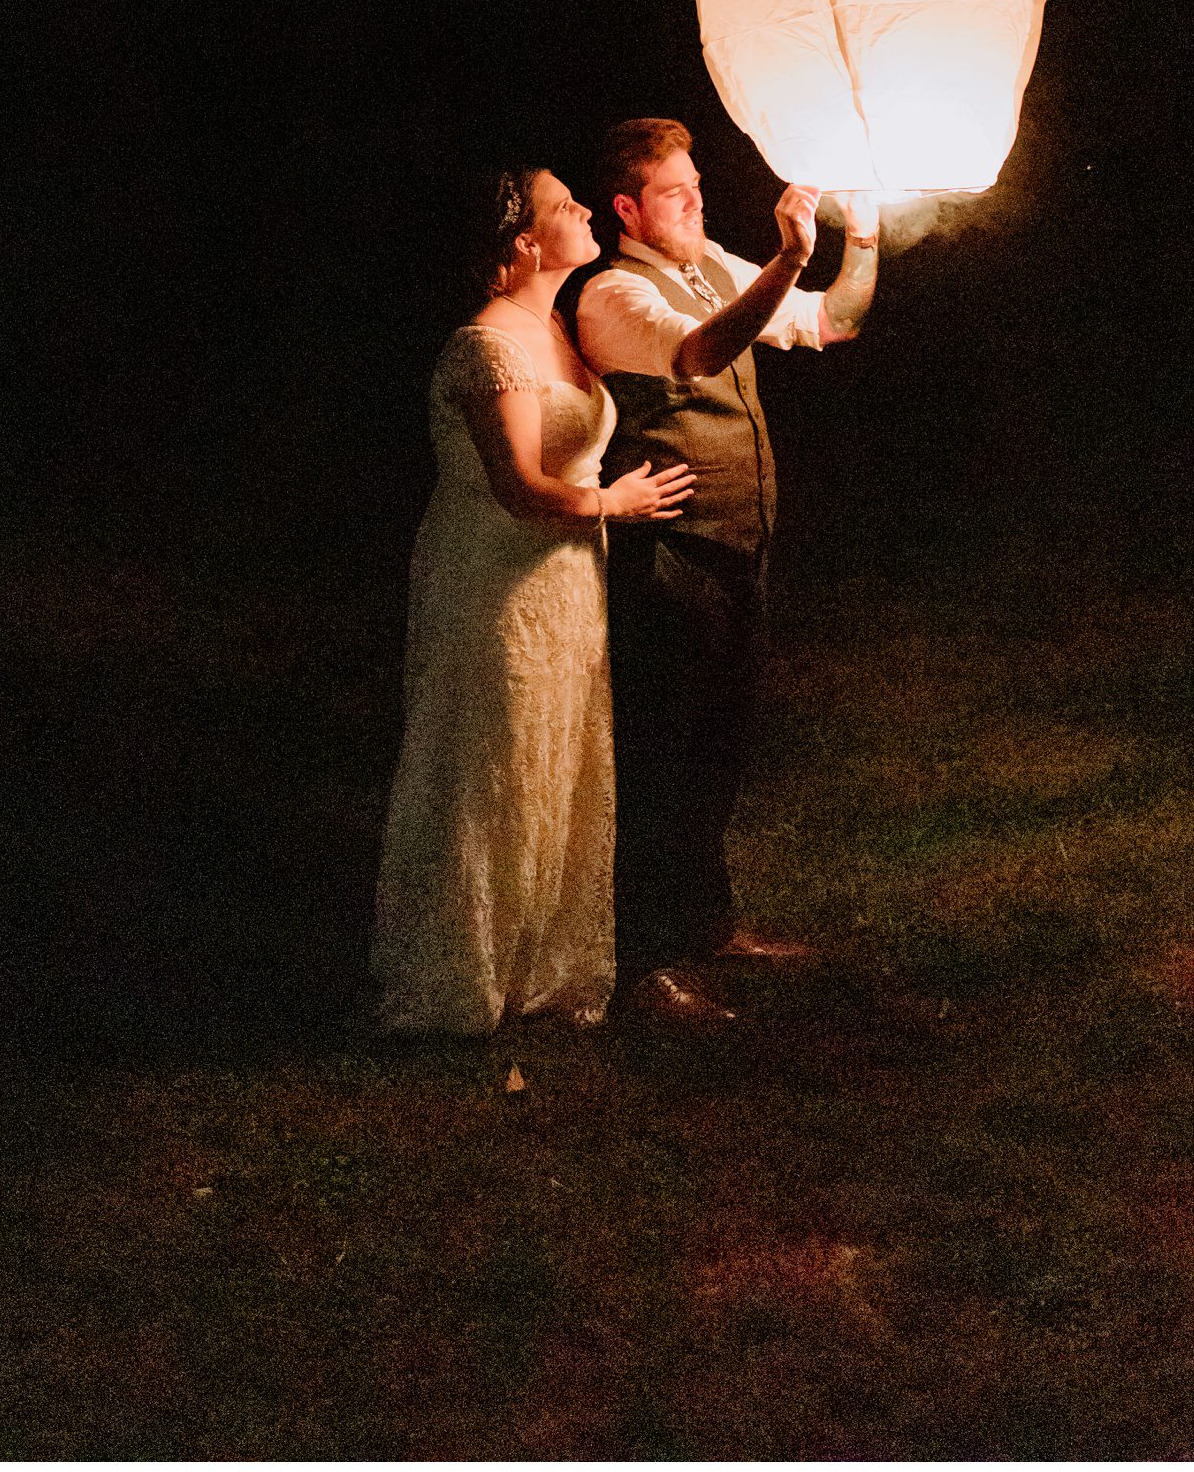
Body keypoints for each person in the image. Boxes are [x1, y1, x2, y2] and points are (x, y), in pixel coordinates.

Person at [371, 165, 694, 1033]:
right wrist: (610, 503)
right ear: (523, 242)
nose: (585, 210)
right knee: (490, 758)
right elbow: (516, 483)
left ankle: (545, 967)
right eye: (565, 207)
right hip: (495, 576)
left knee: (559, 752)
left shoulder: (556, 326)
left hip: (564, 579)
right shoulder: (488, 345)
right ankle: (456, 975)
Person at [576, 117, 881, 1025]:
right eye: (677, 194)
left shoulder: (709, 261)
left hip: (740, 549)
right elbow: (698, 351)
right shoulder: (612, 293)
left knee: (718, 748)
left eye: (699, 187)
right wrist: (787, 259)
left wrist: (859, 239)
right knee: (660, 758)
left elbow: (834, 320)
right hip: (666, 556)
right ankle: (641, 966)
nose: (697, 204)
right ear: (627, 207)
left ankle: (707, 926)